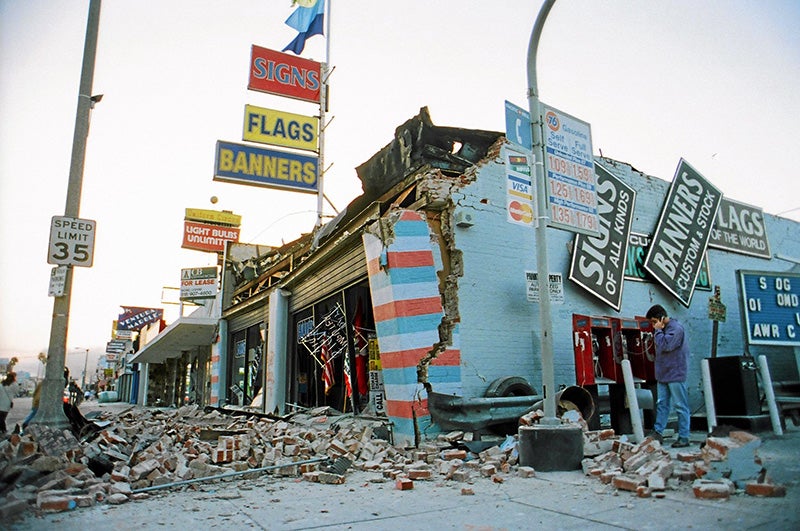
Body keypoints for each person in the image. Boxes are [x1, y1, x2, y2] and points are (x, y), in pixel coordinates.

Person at [646, 304, 691, 448]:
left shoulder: (676, 329)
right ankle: (658, 432)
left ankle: (684, 436)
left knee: (680, 405)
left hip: (675, 373)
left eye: (654, 322)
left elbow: (666, 345)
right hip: (663, 374)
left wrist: (658, 331)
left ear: (661, 318)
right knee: (662, 404)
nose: (653, 325)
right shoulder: (664, 329)